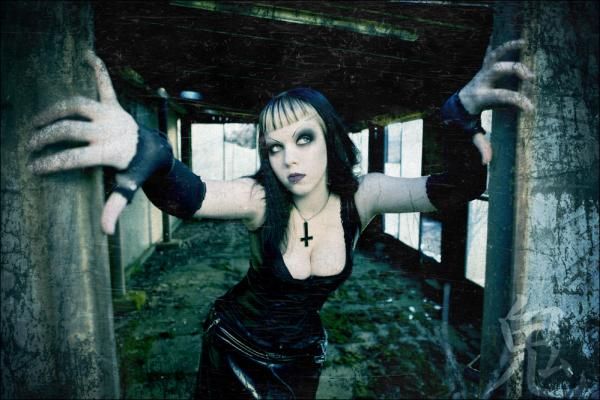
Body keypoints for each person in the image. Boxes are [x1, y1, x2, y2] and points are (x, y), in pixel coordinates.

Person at [28, 39, 534, 399]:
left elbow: (455, 190)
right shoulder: (258, 200)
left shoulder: (366, 195)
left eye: (303, 139)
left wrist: (457, 112)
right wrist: (150, 147)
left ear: (330, 139)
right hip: (232, 346)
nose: (289, 158)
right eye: (274, 147)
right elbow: (191, 195)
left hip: (301, 359)